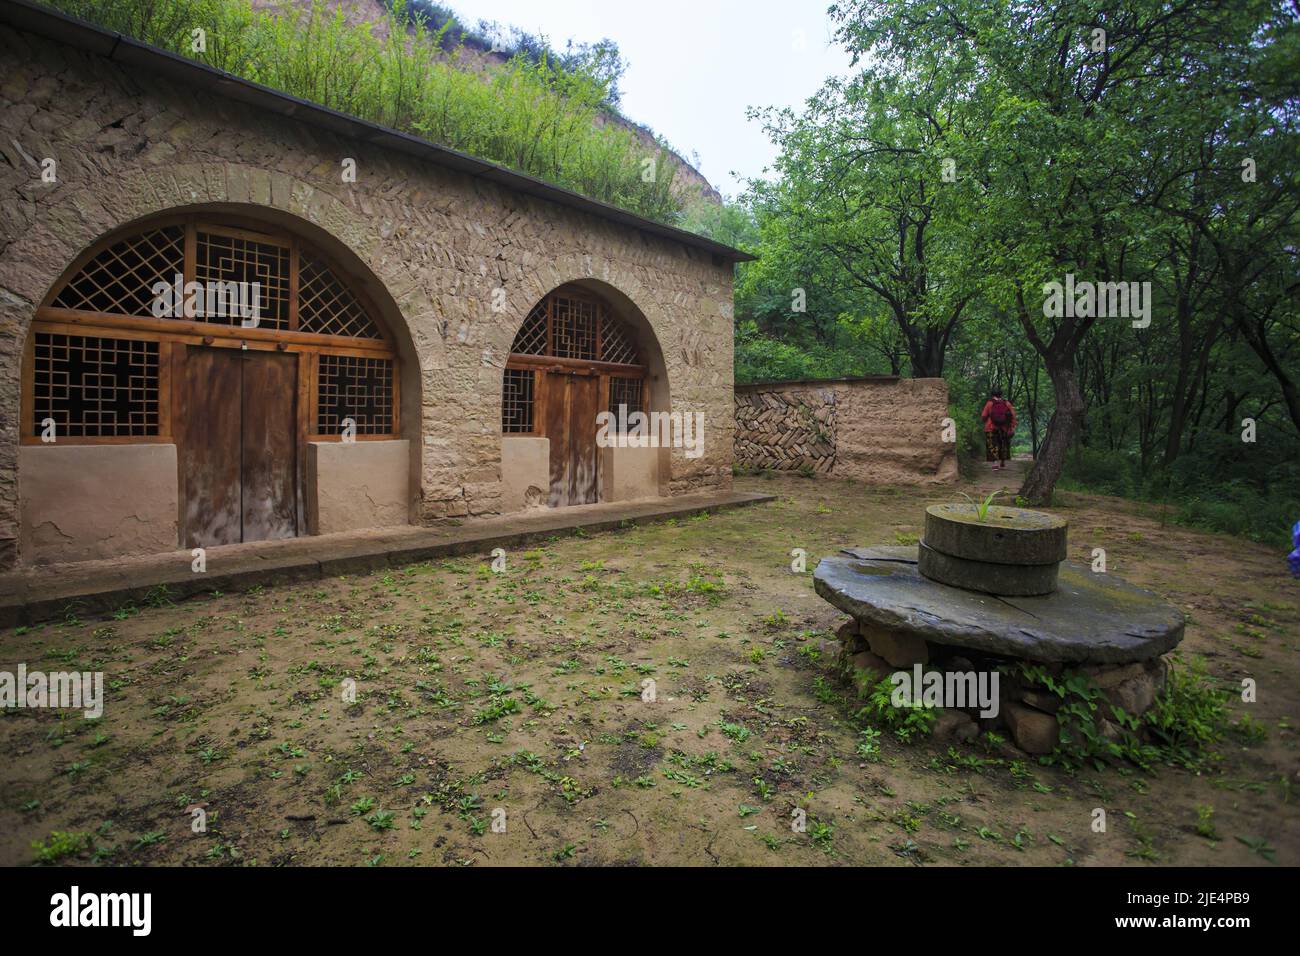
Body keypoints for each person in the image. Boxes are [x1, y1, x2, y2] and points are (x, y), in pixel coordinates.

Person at [981, 388, 1016, 470]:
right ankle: (1003, 461)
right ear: (1001, 394)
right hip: (1004, 427)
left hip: (991, 427)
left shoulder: (989, 403)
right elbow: (1013, 415)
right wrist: (1012, 426)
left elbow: (983, 415)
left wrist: (985, 421)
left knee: (992, 444)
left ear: (992, 395)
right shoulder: (1006, 403)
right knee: (1003, 444)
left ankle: (995, 463)